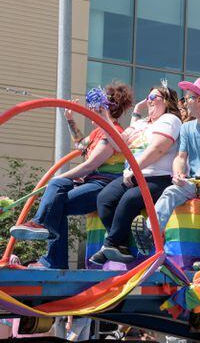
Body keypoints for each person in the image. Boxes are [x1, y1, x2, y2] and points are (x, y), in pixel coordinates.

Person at [10, 83, 134, 269]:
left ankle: (42, 229)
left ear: (103, 108)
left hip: (104, 186)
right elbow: (80, 144)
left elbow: (90, 165)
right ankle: (52, 254)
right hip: (92, 183)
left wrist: (58, 178)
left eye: (94, 106)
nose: (89, 110)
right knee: (56, 198)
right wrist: (70, 119)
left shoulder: (114, 133)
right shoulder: (97, 133)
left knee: (56, 189)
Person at [132, 78, 200, 270]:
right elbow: (180, 157)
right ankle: (149, 232)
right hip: (195, 180)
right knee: (171, 191)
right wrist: (178, 173)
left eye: (187, 98)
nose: (184, 102)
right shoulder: (187, 128)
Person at [92, 84, 182, 264]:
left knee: (130, 198)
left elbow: (158, 149)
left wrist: (134, 169)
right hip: (134, 174)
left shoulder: (170, 119)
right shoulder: (140, 124)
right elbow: (119, 144)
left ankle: (110, 244)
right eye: (148, 97)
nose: (149, 101)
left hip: (159, 177)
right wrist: (104, 117)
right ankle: (121, 245)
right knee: (104, 199)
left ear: (166, 101)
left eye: (154, 97)